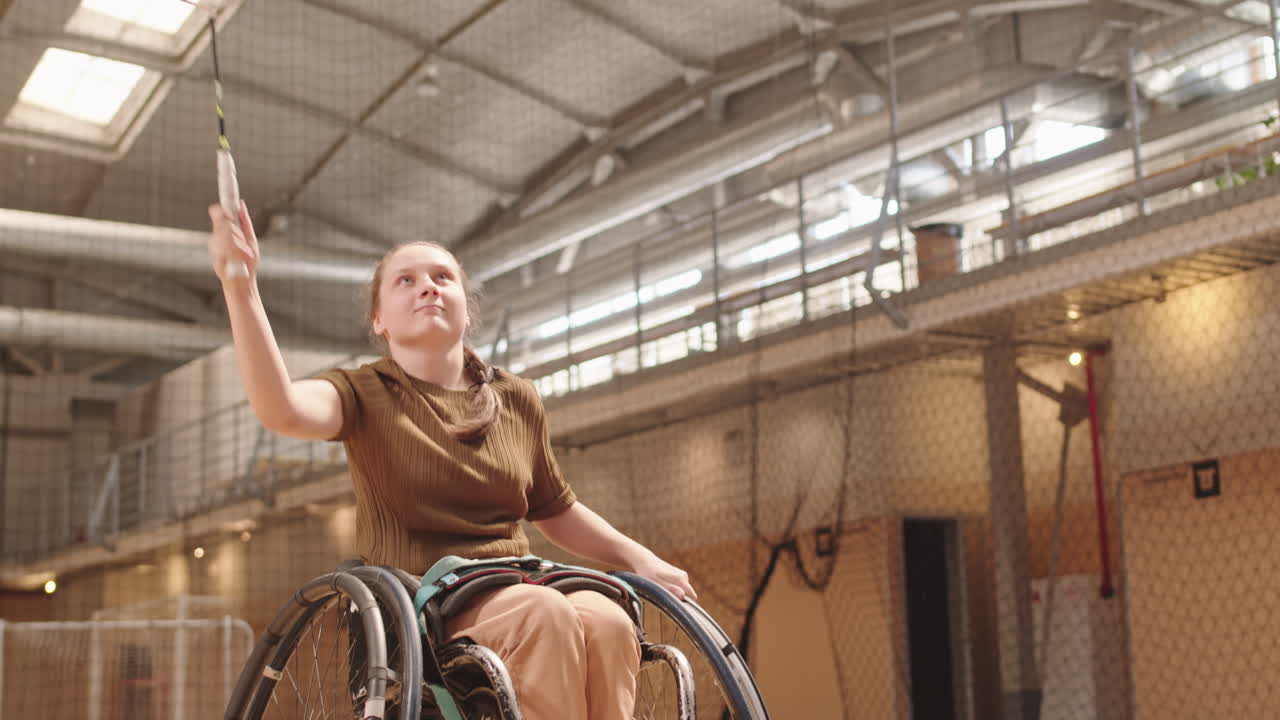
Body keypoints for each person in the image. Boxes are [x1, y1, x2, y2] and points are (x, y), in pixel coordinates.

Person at [207, 200, 696, 720]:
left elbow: (555, 509)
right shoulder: (364, 392)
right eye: (405, 281)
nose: (428, 286)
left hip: (517, 582)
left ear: (465, 305)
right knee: (545, 614)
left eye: (443, 277)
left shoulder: (517, 397)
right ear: (379, 320)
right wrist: (240, 285)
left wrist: (640, 558)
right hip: (423, 602)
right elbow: (281, 408)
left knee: (608, 619)